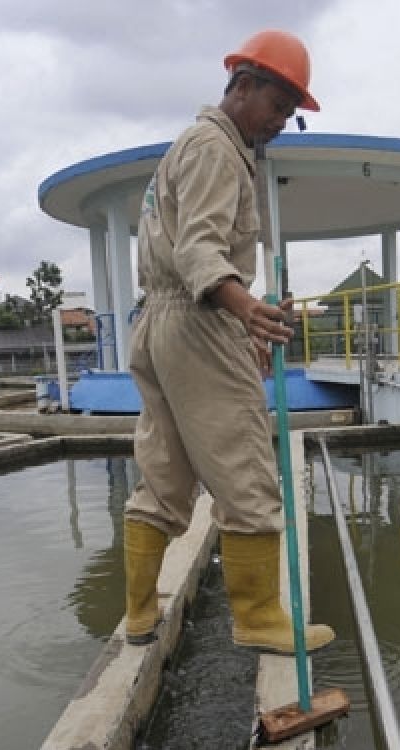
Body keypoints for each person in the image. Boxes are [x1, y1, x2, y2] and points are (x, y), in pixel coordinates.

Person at [120, 30, 334, 654]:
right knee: (247, 473)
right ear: (243, 86)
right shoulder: (217, 148)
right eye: (277, 105)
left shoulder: (189, 146)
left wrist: (247, 312)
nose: (279, 121)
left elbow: (186, 252)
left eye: (289, 112)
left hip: (157, 324)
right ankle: (259, 617)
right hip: (196, 319)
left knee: (162, 472)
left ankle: (138, 613)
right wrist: (247, 311)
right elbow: (201, 252)